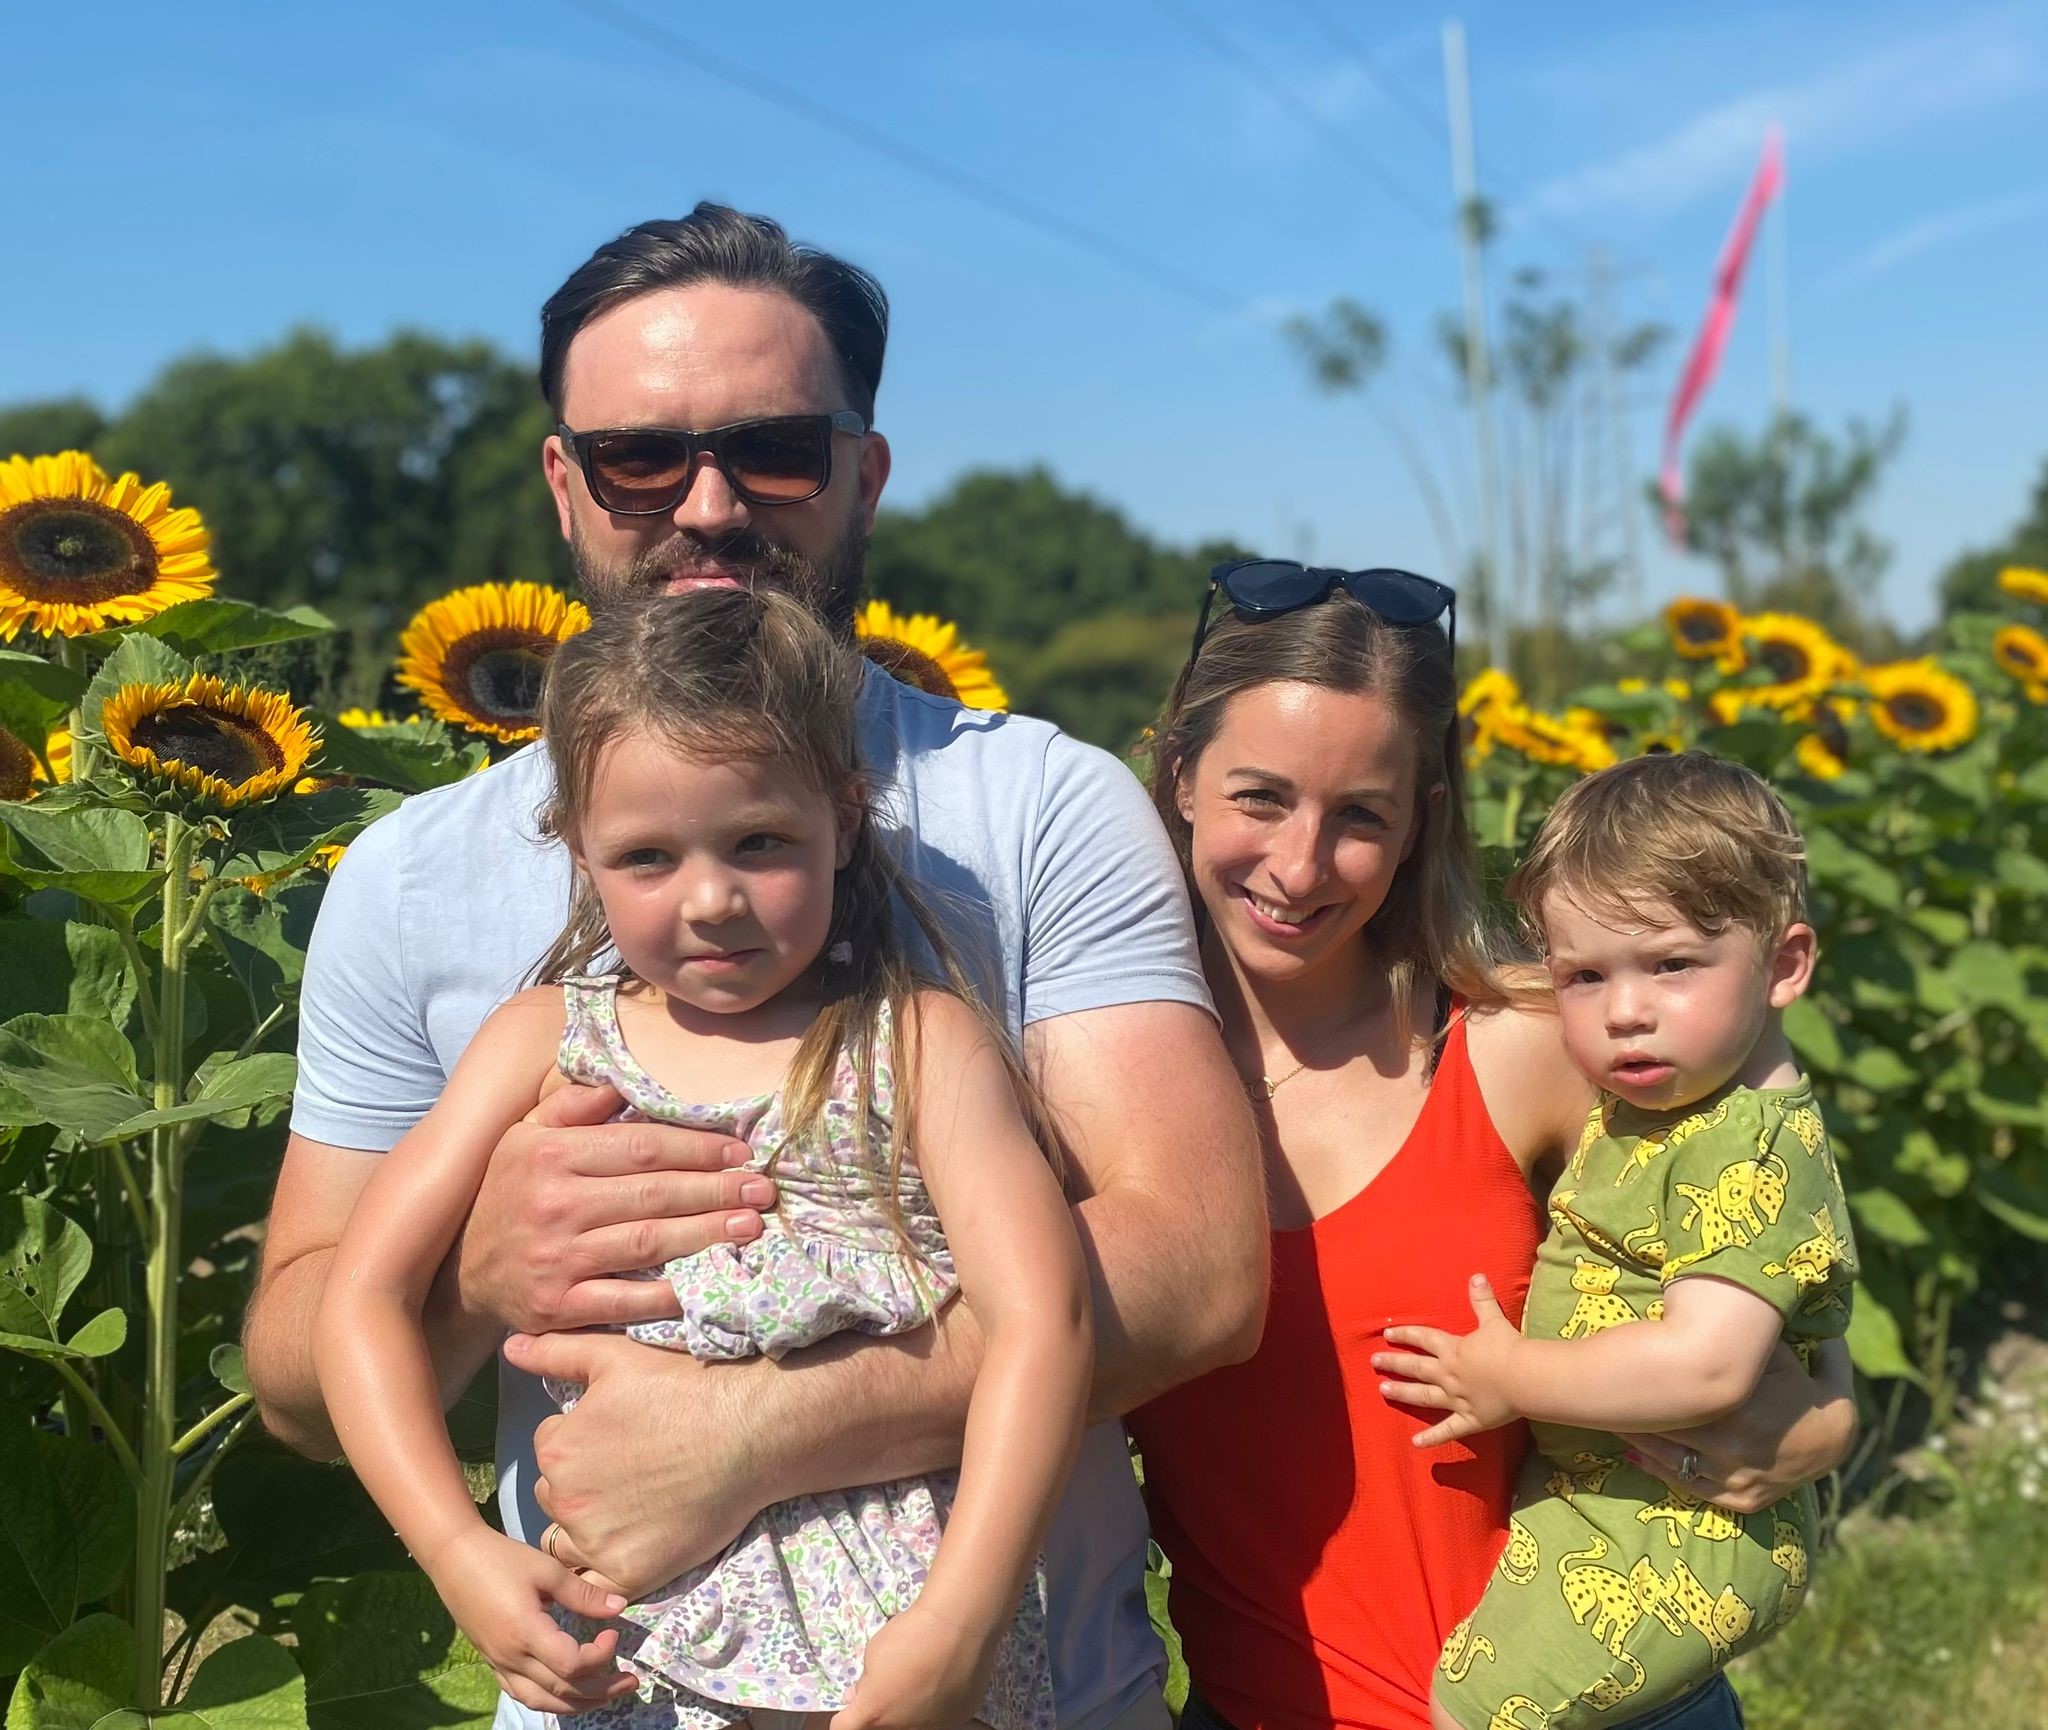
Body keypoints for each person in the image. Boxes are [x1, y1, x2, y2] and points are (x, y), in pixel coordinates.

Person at [244, 205, 1267, 1730]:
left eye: (775, 448)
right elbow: (293, 1368)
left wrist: (759, 1432)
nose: (708, 503)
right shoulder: (414, 877)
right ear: (562, 483)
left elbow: (1199, 1273)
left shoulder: (1037, 806)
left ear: (865, 466)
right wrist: (478, 1270)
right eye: (640, 457)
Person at [316, 588, 1091, 1727]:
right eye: (646, 857)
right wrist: (454, 1546)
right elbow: (359, 1299)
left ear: (844, 812)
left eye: (759, 842)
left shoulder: (917, 1040)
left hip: (908, 1670)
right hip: (633, 1672)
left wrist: (960, 1622)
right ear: (579, 856)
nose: (711, 898)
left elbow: (1046, 1321)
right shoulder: (545, 1042)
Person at [1127, 560, 1859, 1730]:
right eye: (1259, 796)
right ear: (1176, 777)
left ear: (1421, 817)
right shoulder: (1088, 1085)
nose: (1301, 864)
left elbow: (1764, 1212)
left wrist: (1826, 1409)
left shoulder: (1519, 1042)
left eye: (1358, 813)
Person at [1391, 752, 1855, 1730]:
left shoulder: (1748, 1146)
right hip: (1617, 1505)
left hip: (1687, 1531)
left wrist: (1509, 1375)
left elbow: (1702, 1367)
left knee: (1483, 1706)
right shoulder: (1674, 1096)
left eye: (1671, 963)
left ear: (1783, 964)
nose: (1623, 1011)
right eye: (1583, 975)